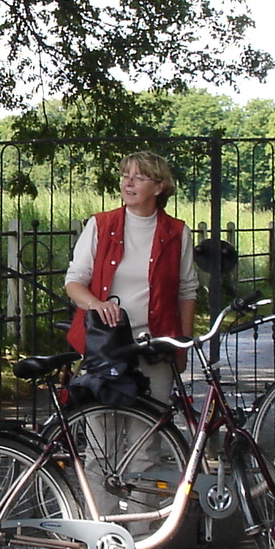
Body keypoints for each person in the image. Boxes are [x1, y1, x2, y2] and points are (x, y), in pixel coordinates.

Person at [63, 151, 197, 401]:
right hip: (104, 344)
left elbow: (187, 292)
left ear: (159, 187)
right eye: (125, 176)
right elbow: (74, 281)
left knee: (149, 431)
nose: (128, 182)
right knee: (101, 430)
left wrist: (183, 347)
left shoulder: (178, 232)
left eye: (139, 177)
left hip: (156, 346)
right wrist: (96, 304)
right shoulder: (100, 225)